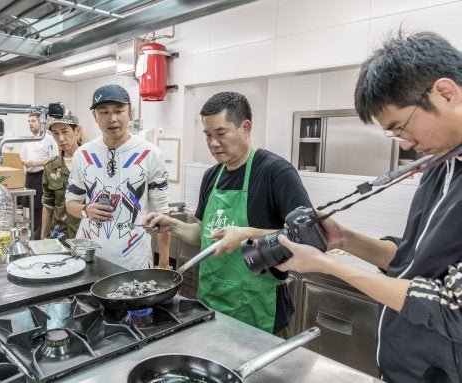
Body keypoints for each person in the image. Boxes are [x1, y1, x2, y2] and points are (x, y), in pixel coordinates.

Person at [275, 30, 462, 383]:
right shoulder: (440, 168)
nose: (405, 143)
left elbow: (452, 307)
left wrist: (328, 267)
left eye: (401, 127)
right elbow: (411, 263)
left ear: (446, 93)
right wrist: (345, 240)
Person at [144, 91, 313, 334]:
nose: (213, 143)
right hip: (211, 302)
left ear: (245, 127)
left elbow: (306, 237)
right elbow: (203, 236)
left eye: (221, 133)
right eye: (208, 135)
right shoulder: (212, 176)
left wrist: (247, 234)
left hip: (258, 308)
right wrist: (171, 224)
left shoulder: (275, 172)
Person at [66, 84, 170, 270]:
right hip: (90, 257)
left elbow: (162, 214)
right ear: (94, 116)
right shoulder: (83, 155)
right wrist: (86, 210)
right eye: (104, 112)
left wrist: (164, 261)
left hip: (133, 259)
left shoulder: (150, 154)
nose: (112, 119)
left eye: (119, 111)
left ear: (129, 112)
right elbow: (70, 204)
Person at [41, 110, 82, 241]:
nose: (61, 138)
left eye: (65, 132)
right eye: (55, 134)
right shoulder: (51, 167)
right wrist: (43, 237)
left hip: (86, 232)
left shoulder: (93, 162)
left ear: (77, 131)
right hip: (60, 234)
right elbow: (48, 205)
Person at [20, 112, 58, 239]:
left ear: (41, 123)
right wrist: (23, 163)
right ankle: (34, 236)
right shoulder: (26, 140)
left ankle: (41, 238)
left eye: (33, 121)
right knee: (31, 210)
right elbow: (23, 158)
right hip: (30, 178)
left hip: (42, 176)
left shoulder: (49, 139)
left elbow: (54, 159)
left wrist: (36, 163)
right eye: (29, 121)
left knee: (42, 209)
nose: (30, 124)